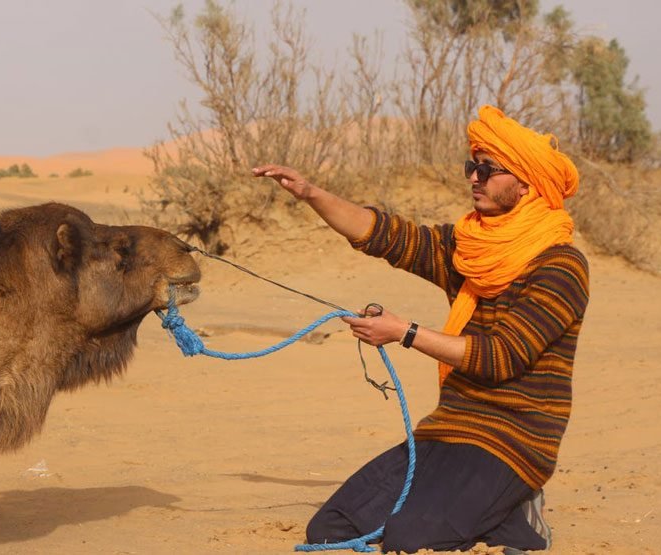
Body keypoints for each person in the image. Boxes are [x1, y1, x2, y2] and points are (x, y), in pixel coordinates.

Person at [252, 105, 589, 553]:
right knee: (332, 527)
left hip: (516, 439)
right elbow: (385, 235)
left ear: (525, 183)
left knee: (411, 537)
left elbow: (500, 357)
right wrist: (311, 193)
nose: (474, 177)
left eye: (488, 170)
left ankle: (518, 509)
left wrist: (404, 332)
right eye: (473, 166)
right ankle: (500, 515)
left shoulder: (560, 266)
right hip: (449, 427)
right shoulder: (469, 248)